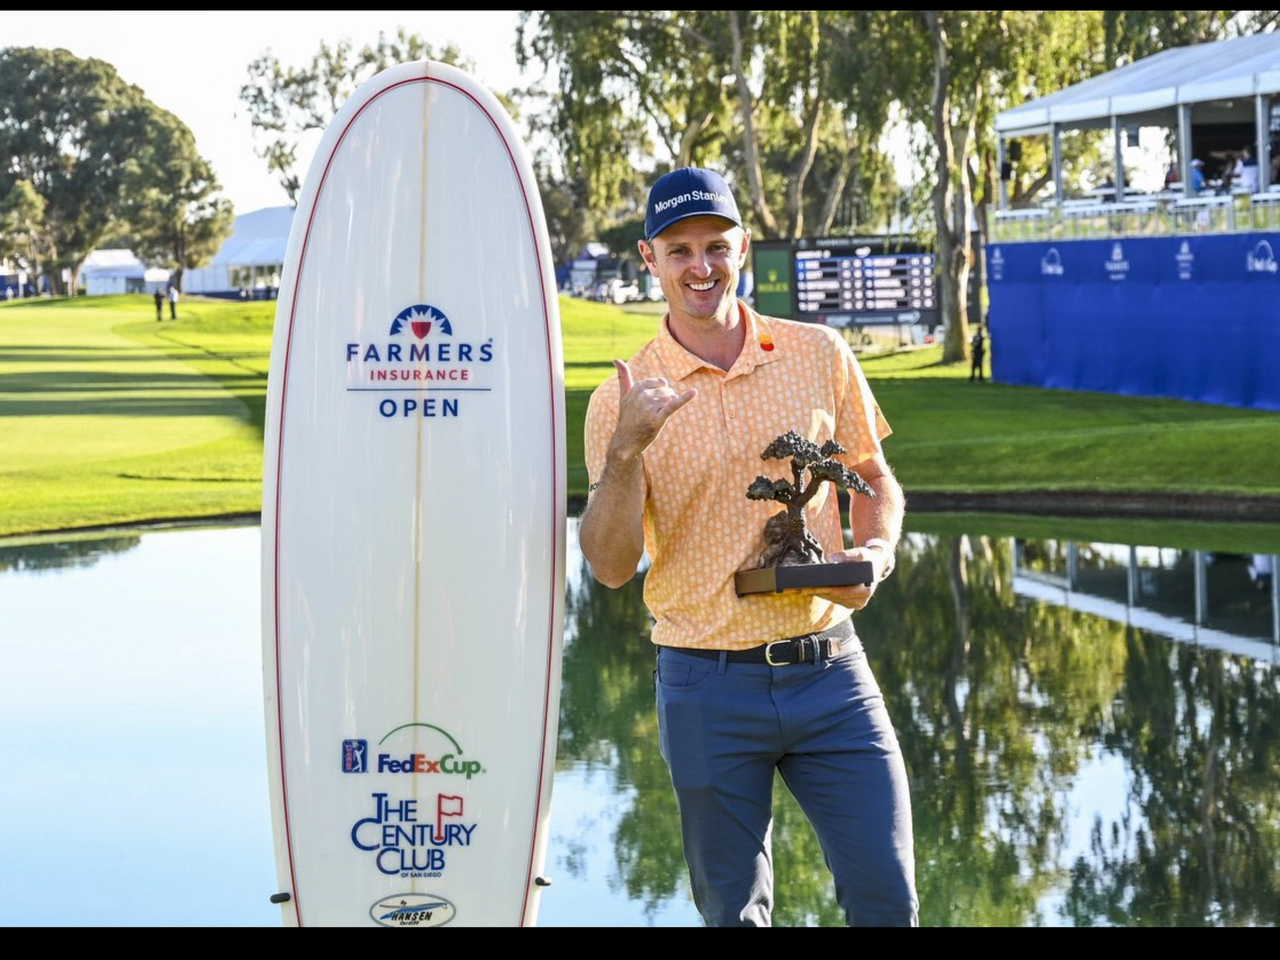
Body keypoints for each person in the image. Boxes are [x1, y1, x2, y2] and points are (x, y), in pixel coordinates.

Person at [580, 166, 918, 927]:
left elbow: (872, 476)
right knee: (734, 916)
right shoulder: (621, 399)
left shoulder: (817, 352)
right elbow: (606, 567)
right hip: (705, 687)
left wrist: (877, 550)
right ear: (649, 259)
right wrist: (628, 450)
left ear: (743, 247)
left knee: (887, 898)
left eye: (715, 246)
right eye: (680, 251)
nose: (701, 266)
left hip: (832, 673)